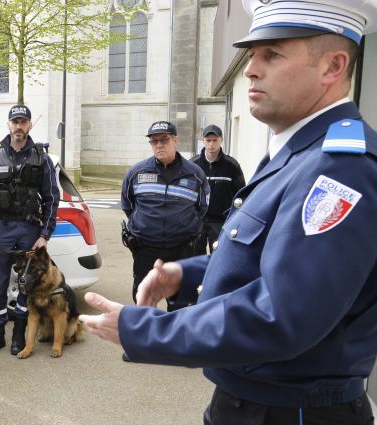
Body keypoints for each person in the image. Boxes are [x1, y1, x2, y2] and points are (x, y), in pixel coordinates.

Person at [81, 1, 377, 424]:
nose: (251, 69)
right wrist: (186, 273)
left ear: (333, 66)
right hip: (256, 401)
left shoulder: (339, 168)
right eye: (252, 54)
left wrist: (142, 330)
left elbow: (283, 314)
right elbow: (270, 254)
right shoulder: (300, 152)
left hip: (291, 411)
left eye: (272, 54)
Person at [0, 105, 59, 356]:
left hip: (29, 230)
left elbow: (51, 199)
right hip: (1, 229)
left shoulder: (41, 159)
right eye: (15, 122)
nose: (19, 126)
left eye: (23, 122)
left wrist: (44, 235)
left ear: (30, 125)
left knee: (27, 285)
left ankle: (19, 336)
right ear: (9, 125)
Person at [120, 120, 209, 313]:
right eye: (154, 141)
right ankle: (145, 330)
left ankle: (175, 331)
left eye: (164, 140)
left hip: (181, 250)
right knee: (143, 300)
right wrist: (145, 225)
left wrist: (184, 226)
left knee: (181, 304)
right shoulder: (137, 172)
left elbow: (202, 208)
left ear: (175, 140)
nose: (159, 145)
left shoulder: (195, 174)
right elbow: (128, 205)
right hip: (145, 249)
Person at [190, 125, 245, 254]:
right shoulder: (193, 165)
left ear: (221, 140)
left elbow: (242, 194)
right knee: (195, 257)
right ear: (203, 141)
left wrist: (235, 219)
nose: (211, 144)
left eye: (215, 140)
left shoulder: (232, 166)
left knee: (219, 257)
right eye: (208, 140)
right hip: (197, 221)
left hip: (221, 223)